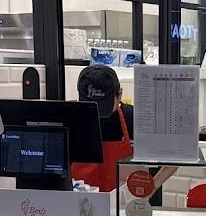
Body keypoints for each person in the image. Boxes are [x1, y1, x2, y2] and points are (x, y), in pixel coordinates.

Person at [72, 64, 177, 196]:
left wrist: (153, 186)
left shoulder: (136, 119)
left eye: (104, 106)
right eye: (91, 106)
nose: (98, 114)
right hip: (81, 204)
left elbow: (176, 153)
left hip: (126, 206)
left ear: (120, 94)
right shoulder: (70, 118)